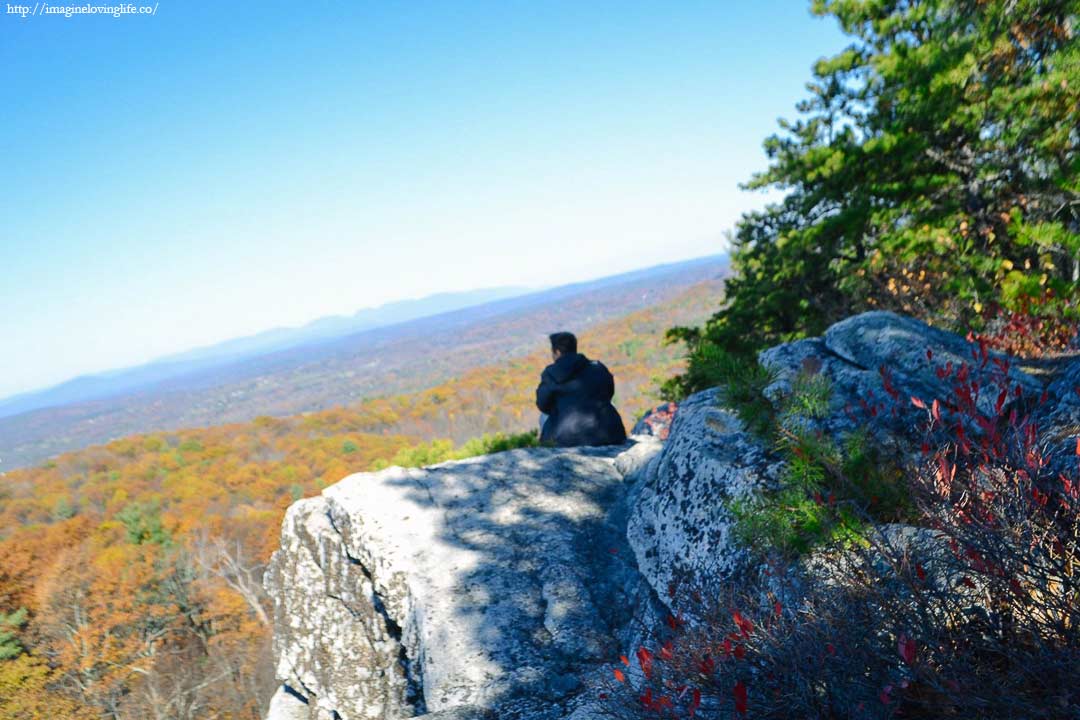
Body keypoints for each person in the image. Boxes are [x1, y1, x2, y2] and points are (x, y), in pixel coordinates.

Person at [536, 332, 627, 447]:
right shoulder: (598, 367)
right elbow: (609, 392)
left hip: (567, 439)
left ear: (557, 352)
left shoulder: (550, 373)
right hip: (609, 434)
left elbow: (542, 404)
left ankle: (550, 448)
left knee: (544, 416)